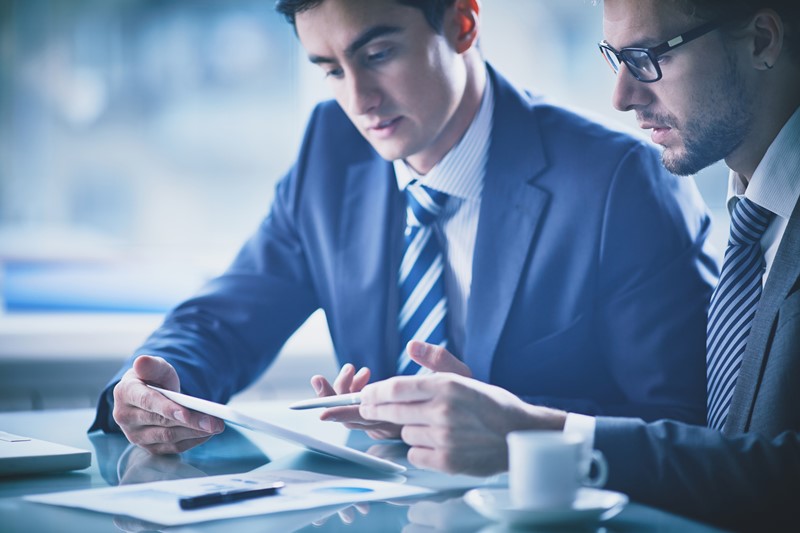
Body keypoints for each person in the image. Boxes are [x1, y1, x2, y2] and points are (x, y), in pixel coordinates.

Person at [90, 0, 716, 455]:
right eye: (332, 69)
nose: (359, 99)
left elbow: (690, 424)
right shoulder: (330, 151)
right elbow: (224, 319)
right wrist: (157, 383)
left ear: (463, 24)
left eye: (378, 54)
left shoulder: (616, 179)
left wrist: (514, 421)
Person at [357, 0, 800, 529]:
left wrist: (535, 435)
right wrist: (497, 417)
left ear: (761, 41)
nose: (621, 96)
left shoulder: (638, 185)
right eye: (615, 58)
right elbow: (731, 453)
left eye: (645, 58)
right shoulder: (757, 216)